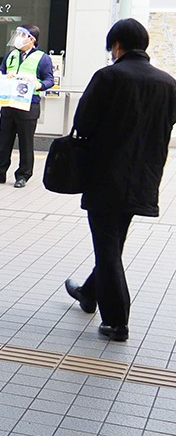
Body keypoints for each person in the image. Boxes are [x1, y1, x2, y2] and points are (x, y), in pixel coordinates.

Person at [63, 19, 176, 341]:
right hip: (144, 176)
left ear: (116, 45)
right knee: (113, 242)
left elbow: (82, 123)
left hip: (105, 175)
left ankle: (117, 321)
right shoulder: (168, 83)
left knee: (108, 249)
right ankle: (88, 292)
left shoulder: (108, 76)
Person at [0, 24, 54, 188]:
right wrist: (6, 75)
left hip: (28, 105)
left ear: (31, 39)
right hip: (8, 103)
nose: (18, 38)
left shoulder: (42, 58)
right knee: (4, 141)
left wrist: (38, 85)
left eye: (22, 35)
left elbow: (50, 80)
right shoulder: (11, 55)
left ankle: (23, 175)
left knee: (25, 142)